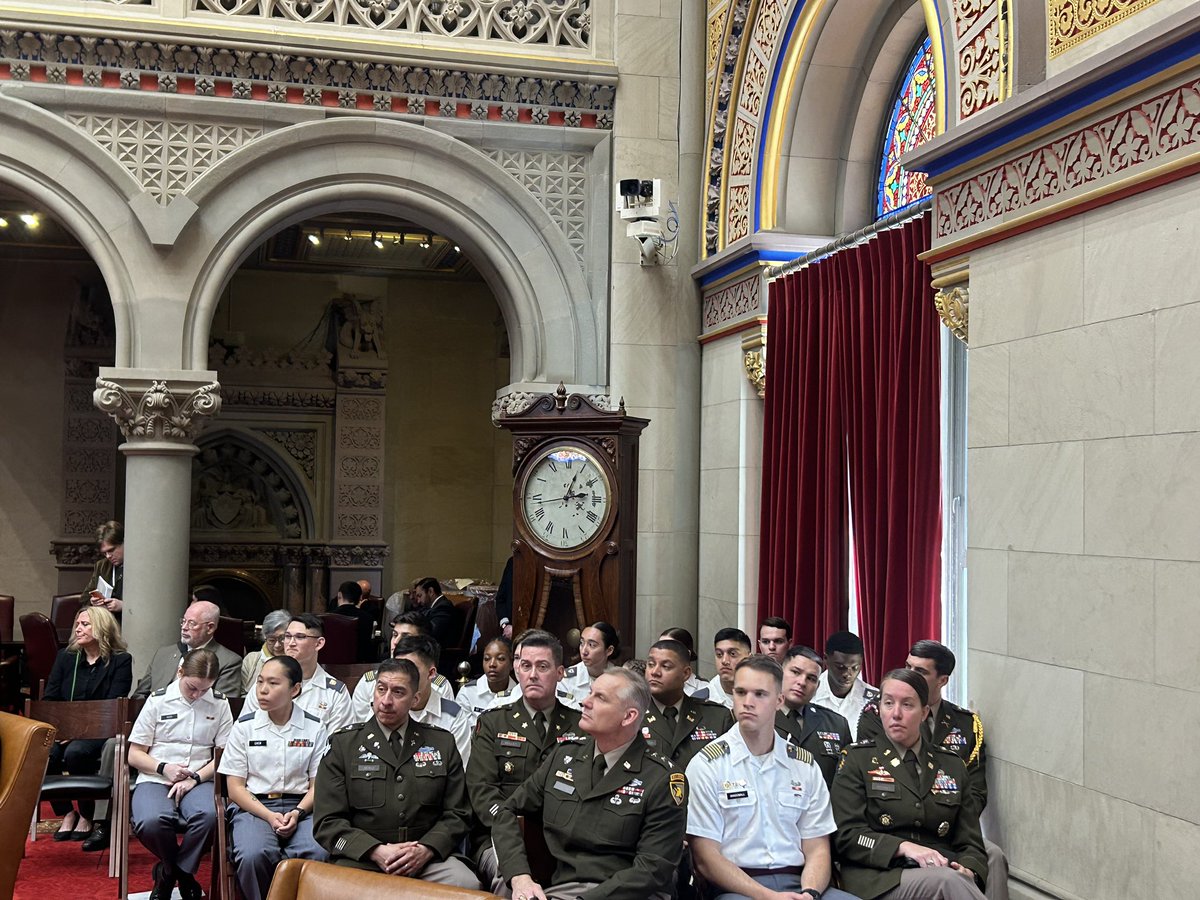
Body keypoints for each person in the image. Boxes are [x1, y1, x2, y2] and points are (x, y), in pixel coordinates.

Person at [491, 668, 688, 900]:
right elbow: (506, 811)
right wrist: (519, 876)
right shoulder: (564, 756)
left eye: (600, 698)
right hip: (562, 888)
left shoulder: (662, 778)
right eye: (590, 693)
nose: (585, 702)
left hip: (629, 894)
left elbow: (652, 869)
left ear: (629, 716)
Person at [686, 655, 858, 900]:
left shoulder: (803, 765)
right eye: (740, 692)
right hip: (738, 888)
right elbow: (706, 858)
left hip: (801, 882)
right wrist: (769, 896)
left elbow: (817, 847)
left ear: (779, 700)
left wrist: (810, 894)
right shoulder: (707, 765)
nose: (747, 702)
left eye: (759, 694)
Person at [857, 641, 1007, 900]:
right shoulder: (877, 716)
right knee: (947, 880)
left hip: (945, 827)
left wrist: (956, 836)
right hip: (894, 833)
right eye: (908, 666)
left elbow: (974, 791)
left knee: (990, 856)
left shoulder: (966, 723)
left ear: (943, 680)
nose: (911, 675)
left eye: (921, 671)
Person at [313, 657, 480, 889]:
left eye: (398, 692)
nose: (386, 701)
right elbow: (327, 821)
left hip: (428, 859)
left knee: (467, 884)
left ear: (415, 699)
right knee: (330, 889)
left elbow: (458, 813)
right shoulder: (344, 745)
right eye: (381, 690)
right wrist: (374, 850)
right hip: (362, 859)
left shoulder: (441, 742)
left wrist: (425, 849)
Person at [830, 669, 987, 900]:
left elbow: (970, 840)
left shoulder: (951, 764)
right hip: (880, 876)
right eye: (888, 703)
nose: (896, 714)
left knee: (980, 867)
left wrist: (970, 869)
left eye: (907, 705)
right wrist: (901, 847)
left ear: (924, 713)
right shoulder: (857, 759)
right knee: (948, 881)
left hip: (939, 866)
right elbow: (846, 835)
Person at [467, 630, 583, 890]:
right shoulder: (493, 723)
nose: (532, 674)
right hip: (500, 835)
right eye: (526, 665)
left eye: (542, 667)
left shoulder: (580, 725)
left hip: (565, 837)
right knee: (510, 883)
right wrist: (511, 831)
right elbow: (483, 793)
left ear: (560, 672)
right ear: (517, 669)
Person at [219, 654, 330, 900]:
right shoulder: (244, 727)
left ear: (295, 689)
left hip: (303, 808)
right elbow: (235, 788)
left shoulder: (314, 727)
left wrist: (297, 813)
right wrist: (269, 816)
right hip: (254, 807)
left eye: (273, 683)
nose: (262, 690)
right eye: (259, 682)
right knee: (254, 854)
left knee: (316, 852)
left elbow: (318, 785)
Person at [128, 648, 234, 900]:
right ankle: (180, 873)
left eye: (205, 689)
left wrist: (194, 778)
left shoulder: (220, 703)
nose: (197, 695)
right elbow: (134, 754)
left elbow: (224, 755)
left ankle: (169, 874)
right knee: (151, 821)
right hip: (156, 775)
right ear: (179, 673)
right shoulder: (158, 700)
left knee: (210, 817)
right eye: (192, 688)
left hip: (199, 777)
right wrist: (164, 767)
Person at [43, 606, 133, 844]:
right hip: (64, 728)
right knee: (45, 752)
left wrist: (77, 732)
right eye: (78, 623)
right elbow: (51, 697)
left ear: (101, 628)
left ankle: (87, 814)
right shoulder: (66, 657)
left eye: (85, 624)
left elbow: (114, 704)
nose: (78, 628)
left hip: (98, 728)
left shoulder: (120, 660)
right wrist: (63, 729)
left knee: (76, 753)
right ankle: (66, 812)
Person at [241, 613, 353, 730]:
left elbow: (338, 742)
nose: (291, 643)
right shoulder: (264, 684)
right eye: (288, 636)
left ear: (319, 643)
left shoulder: (334, 693)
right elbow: (244, 729)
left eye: (300, 637)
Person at [642, 638, 732, 769]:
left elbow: (727, 769)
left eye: (666, 666)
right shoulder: (630, 716)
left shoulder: (717, 718)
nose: (655, 672)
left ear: (686, 673)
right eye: (650, 664)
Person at [385, 634, 474, 763]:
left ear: (431, 673)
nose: (402, 677)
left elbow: (459, 771)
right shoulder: (385, 708)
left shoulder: (453, 717)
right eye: (398, 668)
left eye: (411, 669)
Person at [775, 645, 852, 787]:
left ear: (817, 686)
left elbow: (847, 782)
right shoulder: (760, 718)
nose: (802, 682)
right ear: (780, 673)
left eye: (811, 678)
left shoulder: (836, 724)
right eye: (795, 672)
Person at [134, 599, 244, 697]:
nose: (184, 628)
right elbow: (139, 696)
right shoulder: (163, 654)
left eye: (192, 623)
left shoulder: (228, 661)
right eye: (183, 621)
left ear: (210, 628)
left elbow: (224, 704)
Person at [812, 631, 878, 740]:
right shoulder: (809, 692)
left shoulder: (874, 700)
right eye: (841, 667)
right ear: (825, 659)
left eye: (855, 668)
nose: (847, 674)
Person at [456, 635, 517, 723]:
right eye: (487, 659)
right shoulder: (468, 692)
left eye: (500, 659)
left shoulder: (520, 695)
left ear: (512, 663)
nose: (492, 664)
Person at [240, 609, 291, 695]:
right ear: (264, 637)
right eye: (271, 640)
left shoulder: (296, 660)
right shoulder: (251, 660)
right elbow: (242, 695)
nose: (277, 645)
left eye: (282, 638)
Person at [564, 621, 620, 697]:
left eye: (592, 645)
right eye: (582, 643)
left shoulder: (621, 680)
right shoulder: (566, 679)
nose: (584, 651)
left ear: (609, 650)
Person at [81, 519, 124, 616]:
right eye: (104, 553)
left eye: (111, 550)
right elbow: (84, 598)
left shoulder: (138, 566)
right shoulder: (102, 565)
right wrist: (93, 601)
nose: (108, 556)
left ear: (124, 543)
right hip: (105, 622)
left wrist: (123, 606)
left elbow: (148, 602)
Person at [705, 627, 753, 708]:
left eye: (733, 654)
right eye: (719, 654)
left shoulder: (764, 695)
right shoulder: (700, 700)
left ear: (749, 658)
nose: (724, 661)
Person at [330, 580, 376, 662]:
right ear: (360, 597)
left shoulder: (329, 617)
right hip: (359, 664)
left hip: (332, 664)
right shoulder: (367, 618)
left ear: (339, 595)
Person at [411, 576, 464, 648]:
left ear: (430, 591)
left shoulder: (443, 607)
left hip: (439, 652)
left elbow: (431, 632)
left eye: (420, 596)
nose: (418, 601)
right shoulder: (433, 607)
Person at [660, 626, 707, 696]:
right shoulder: (651, 683)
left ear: (686, 654)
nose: (661, 653)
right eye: (659, 647)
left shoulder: (704, 688)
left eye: (668, 647)